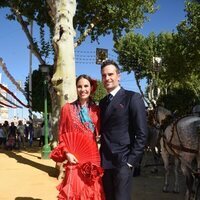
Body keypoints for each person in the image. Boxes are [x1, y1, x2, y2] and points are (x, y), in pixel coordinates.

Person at [50, 74, 105, 200]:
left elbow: (101, 133)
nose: (83, 89)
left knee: (92, 191)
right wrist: (67, 153)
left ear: (91, 88)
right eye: (79, 86)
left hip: (92, 158)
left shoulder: (97, 110)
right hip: (74, 159)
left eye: (86, 86)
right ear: (76, 88)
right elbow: (62, 135)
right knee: (73, 191)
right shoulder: (67, 109)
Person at [99, 60, 148, 200]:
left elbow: (142, 134)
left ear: (118, 76)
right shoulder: (102, 102)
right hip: (104, 161)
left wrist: (130, 161)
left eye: (110, 74)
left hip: (122, 161)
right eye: (104, 75)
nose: (107, 78)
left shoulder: (133, 98)